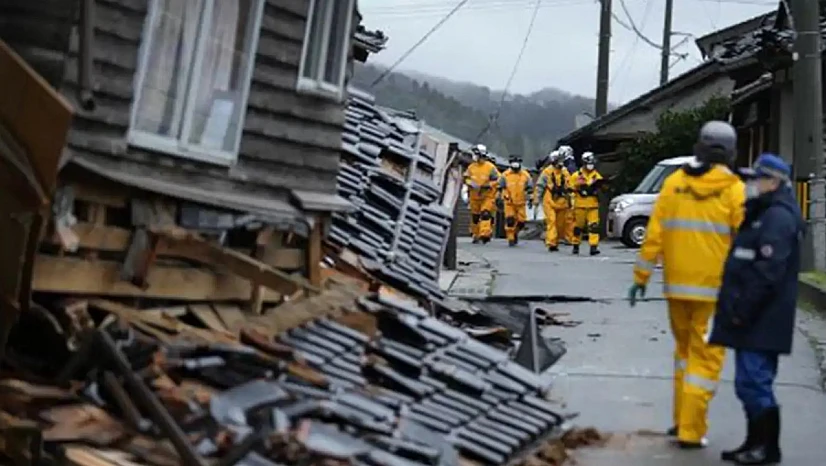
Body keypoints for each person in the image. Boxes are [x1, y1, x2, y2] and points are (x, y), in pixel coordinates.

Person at [628, 120, 746, 449]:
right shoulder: (734, 188)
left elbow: (654, 235)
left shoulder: (675, 183)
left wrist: (641, 278)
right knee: (704, 361)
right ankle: (691, 431)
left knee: (683, 355)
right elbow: (744, 239)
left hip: (676, 288)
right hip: (714, 291)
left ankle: (681, 419)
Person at [709, 153, 803, 465]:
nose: (750, 184)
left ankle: (766, 448)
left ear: (773, 182)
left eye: (756, 178)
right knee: (748, 383)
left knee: (755, 382)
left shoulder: (777, 217)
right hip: (754, 315)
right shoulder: (764, 211)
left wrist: (742, 310)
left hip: (762, 317)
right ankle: (754, 443)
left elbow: (768, 272)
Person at [463, 144, 500, 244]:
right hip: (474, 196)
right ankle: (475, 234)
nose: (474, 156)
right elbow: (466, 178)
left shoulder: (490, 167)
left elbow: (498, 180)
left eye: (476, 154)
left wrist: (489, 185)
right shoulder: (471, 167)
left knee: (485, 214)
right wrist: (470, 183)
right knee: (475, 216)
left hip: (487, 196)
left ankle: (485, 234)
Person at [535, 150, 571, 251]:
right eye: (558, 161)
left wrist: (570, 198)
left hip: (562, 201)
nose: (561, 163)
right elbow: (540, 186)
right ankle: (551, 243)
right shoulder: (547, 172)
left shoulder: (565, 171)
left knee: (560, 224)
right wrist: (536, 199)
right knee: (552, 221)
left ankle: (556, 239)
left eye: (561, 161)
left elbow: (570, 185)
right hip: (550, 200)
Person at [568, 152, 603, 255]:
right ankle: (575, 244)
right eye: (588, 163)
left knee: (594, 226)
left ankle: (593, 246)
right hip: (580, 205)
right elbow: (570, 188)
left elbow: (602, 187)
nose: (590, 165)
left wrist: (598, 189)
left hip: (593, 205)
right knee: (578, 227)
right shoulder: (576, 175)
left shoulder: (596, 176)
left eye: (592, 163)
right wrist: (578, 189)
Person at [498, 155, 534, 247]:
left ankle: (515, 233)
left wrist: (531, 198)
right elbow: (500, 187)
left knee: (521, 222)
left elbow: (530, 188)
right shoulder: (505, 175)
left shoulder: (525, 175)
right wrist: (499, 198)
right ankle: (511, 238)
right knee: (510, 220)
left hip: (521, 202)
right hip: (509, 202)